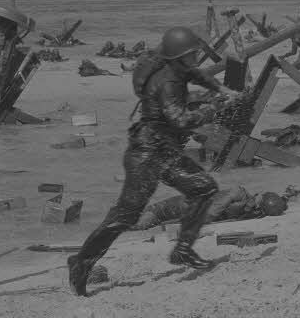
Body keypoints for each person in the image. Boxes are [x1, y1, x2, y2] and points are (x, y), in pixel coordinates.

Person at [67, 26, 240, 296]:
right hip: (147, 155)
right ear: (179, 57)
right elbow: (180, 119)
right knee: (125, 217)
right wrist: (214, 108)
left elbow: (197, 74)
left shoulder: (178, 69)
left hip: (164, 151)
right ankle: (81, 262)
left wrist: (220, 88)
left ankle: (183, 250)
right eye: (192, 54)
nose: (196, 59)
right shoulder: (167, 81)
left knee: (204, 188)